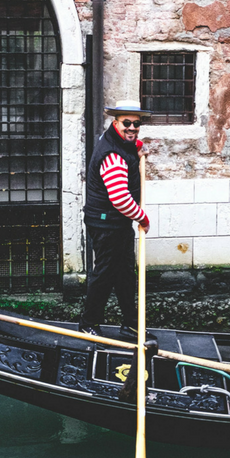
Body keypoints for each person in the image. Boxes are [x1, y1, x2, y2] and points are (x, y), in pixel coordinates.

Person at [79, 100, 152, 338]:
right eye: (127, 123)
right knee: (105, 274)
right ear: (115, 122)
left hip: (116, 223)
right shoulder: (112, 156)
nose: (132, 128)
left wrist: (137, 146)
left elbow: (129, 145)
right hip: (106, 223)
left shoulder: (116, 142)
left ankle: (131, 325)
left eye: (137, 124)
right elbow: (120, 199)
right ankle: (88, 325)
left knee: (125, 275)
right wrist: (143, 219)